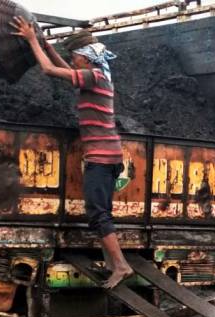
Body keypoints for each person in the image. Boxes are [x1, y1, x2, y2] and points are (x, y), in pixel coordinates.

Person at [10, 20, 132, 289]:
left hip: (101, 157)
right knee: (103, 212)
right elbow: (63, 68)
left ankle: (121, 266)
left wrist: (32, 40)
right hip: (110, 154)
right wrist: (45, 44)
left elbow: (49, 70)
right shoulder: (95, 76)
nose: (73, 61)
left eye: (76, 57)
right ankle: (114, 263)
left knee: (97, 214)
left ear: (86, 59)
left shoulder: (92, 77)